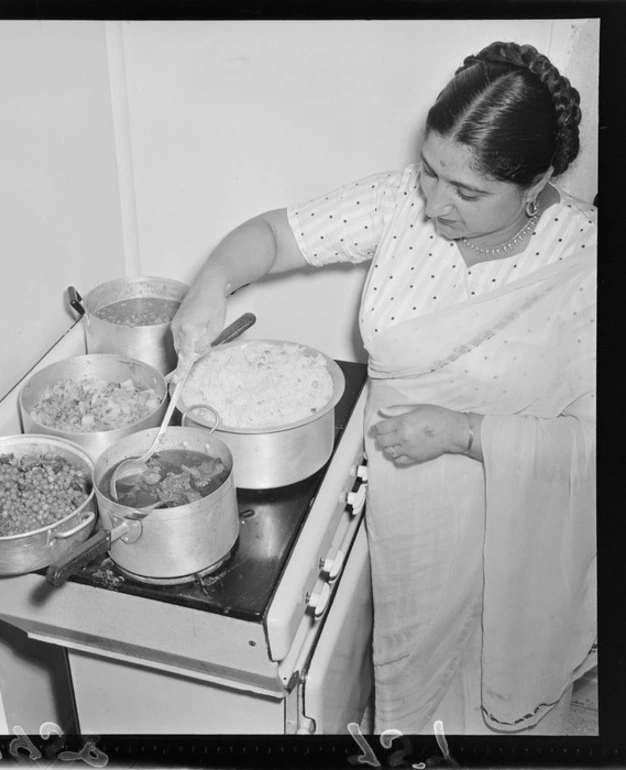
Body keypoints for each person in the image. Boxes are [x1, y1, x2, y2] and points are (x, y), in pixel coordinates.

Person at [170, 41, 596, 735]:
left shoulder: (580, 260)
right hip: (411, 513)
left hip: (517, 525)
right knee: (415, 682)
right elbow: (277, 237)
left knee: (501, 699)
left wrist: (464, 432)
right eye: (430, 171)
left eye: (468, 191)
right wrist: (213, 282)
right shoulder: (399, 202)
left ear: (537, 181)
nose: (433, 203)